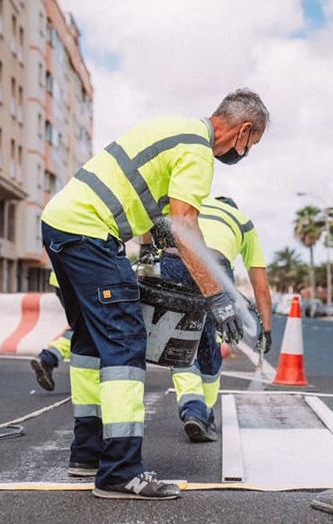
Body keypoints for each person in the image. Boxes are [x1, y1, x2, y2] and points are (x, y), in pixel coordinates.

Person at [40, 89, 269, 500]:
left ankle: (87, 453)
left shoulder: (173, 127)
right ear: (244, 130)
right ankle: (121, 472)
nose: (246, 151)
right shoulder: (198, 152)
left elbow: (151, 204)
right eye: (252, 144)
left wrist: (149, 246)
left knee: (90, 341)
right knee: (125, 344)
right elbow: (184, 225)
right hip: (91, 233)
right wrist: (216, 296)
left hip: (60, 224)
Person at [158, 196, 272, 442]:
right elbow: (260, 286)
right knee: (209, 341)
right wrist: (267, 329)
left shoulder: (193, 204)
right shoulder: (243, 222)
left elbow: (157, 224)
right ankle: (202, 412)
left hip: (173, 260)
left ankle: (193, 406)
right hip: (215, 265)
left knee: (179, 339)